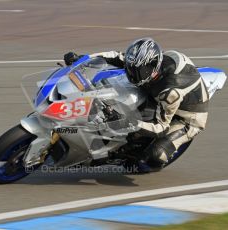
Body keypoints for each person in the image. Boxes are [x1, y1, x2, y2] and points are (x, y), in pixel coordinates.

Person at [63, 37, 209, 171]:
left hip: (185, 118)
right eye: (131, 69)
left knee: (155, 155)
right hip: (157, 92)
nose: (131, 74)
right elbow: (116, 56)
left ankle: (143, 163)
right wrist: (83, 59)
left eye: (137, 71)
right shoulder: (146, 64)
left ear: (151, 68)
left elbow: (161, 128)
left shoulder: (169, 91)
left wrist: (128, 122)